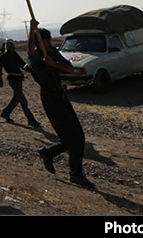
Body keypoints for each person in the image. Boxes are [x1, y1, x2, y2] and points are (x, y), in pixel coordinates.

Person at [27, 22, 93, 188]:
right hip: (49, 98)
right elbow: (30, 50)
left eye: (49, 40)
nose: (49, 43)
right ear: (39, 43)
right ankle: (75, 174)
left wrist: (54, 64)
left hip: (61, 95)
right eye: (45, 41)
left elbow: (70, 69)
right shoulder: (35, 56)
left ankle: (48, 153)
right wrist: (32, 28)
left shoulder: (53, 53)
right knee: (74, 138)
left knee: (77, 136)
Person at [0, 40, 40, 128]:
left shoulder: (15, 55)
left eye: (11, 45)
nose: (10, 47)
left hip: (19, 79)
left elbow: (22, 64)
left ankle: (6, 112)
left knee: (16, 98)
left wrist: (30, 69)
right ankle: (31, 119)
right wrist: (0, 79)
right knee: (23, 100)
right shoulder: (4, 57)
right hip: (12, 80)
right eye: (8, 45)